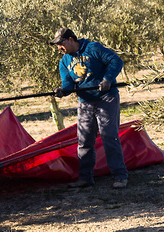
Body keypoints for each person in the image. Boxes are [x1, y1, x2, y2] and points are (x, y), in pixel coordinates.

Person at [50, 28, 128, 189]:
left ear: (71, 39)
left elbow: (116, 61)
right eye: (57, 45)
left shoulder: (93, 48)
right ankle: (85, 178)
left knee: (109, 137)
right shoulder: (64, 61)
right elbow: (68, 83)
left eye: (60, 43)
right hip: (85, 102)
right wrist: (63, 90)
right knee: (84, 140)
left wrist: (108, 79)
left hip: (106, 98)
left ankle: (120, 176)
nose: (59, 48)